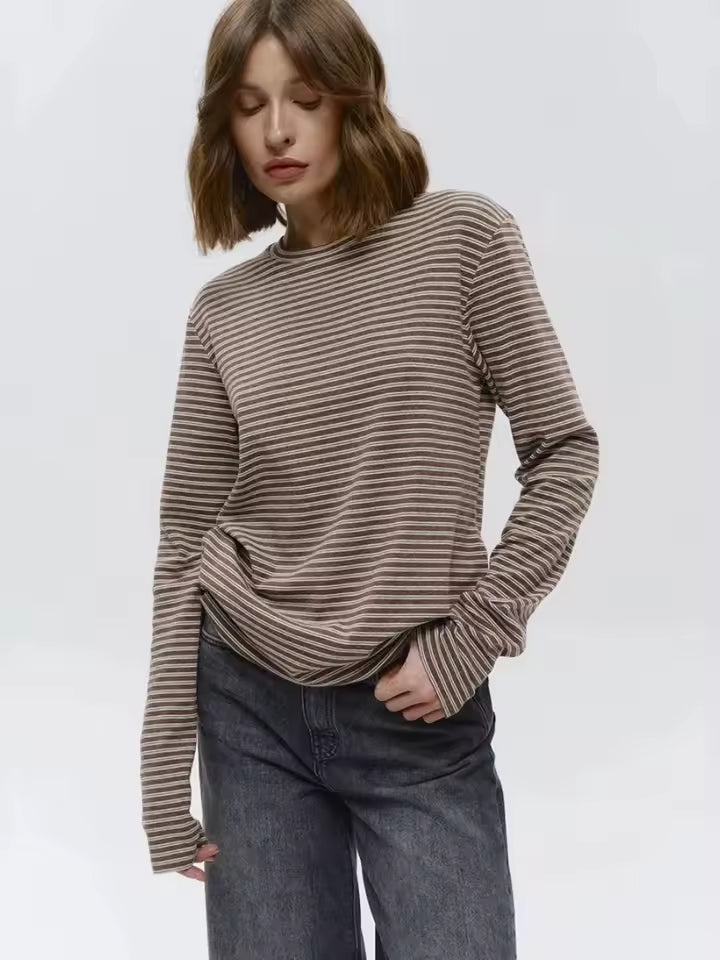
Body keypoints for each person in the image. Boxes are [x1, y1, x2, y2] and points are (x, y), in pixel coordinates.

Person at [139, 1, 600, 957]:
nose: (278, 131)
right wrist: (162, 764)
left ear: (355, 101)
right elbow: (186, 541)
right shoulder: (224, 312)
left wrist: (472, 639)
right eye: (250, 106)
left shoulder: (463, 242)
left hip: (418, 707)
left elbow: (563, 451)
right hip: (249, 707)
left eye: (305, 99)